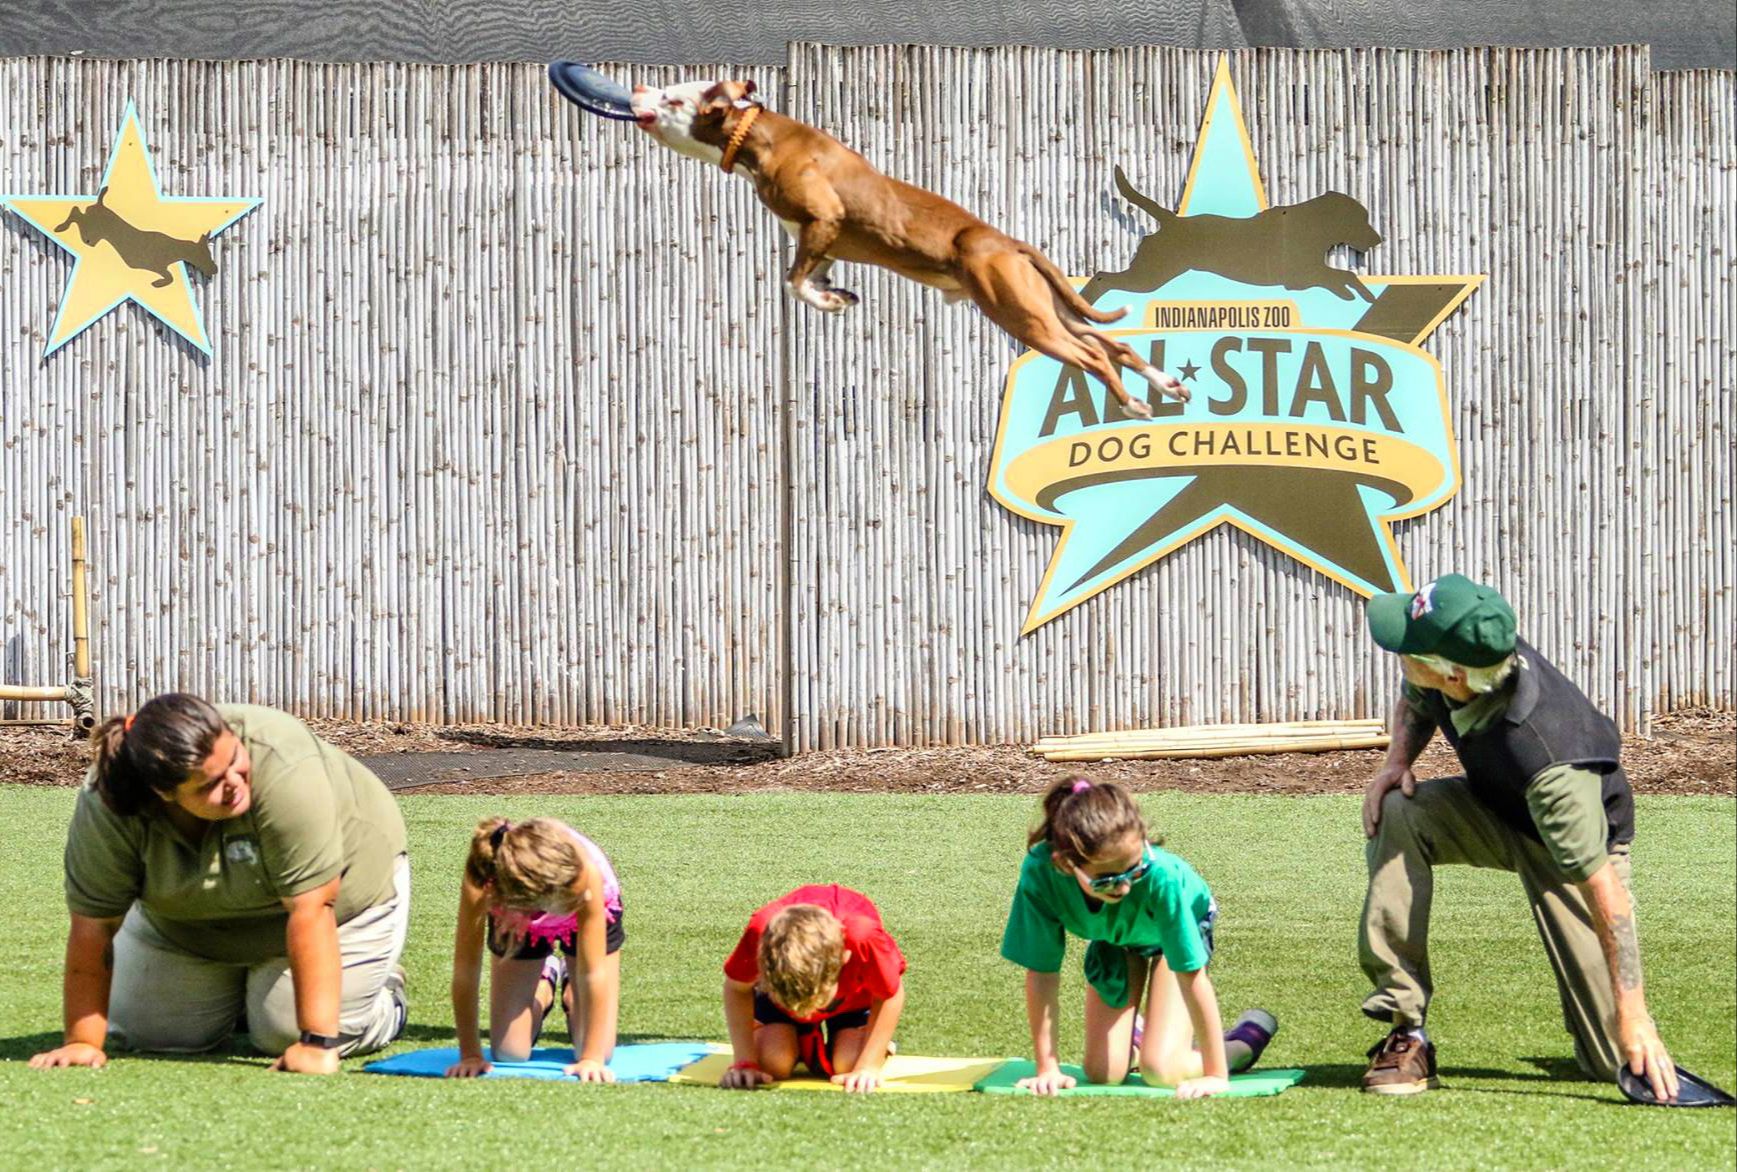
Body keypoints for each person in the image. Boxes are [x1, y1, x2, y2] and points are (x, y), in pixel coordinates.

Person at [1358, 573, 1680, 1100]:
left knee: (1614, 1061)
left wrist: (1635, 1015)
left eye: (1411, 647)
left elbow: (1607, 894)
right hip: (1495, 807)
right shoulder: (1473, 644)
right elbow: (1418, 694)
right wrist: (1396, 763)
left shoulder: (1552, 761)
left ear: (1456, 676)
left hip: (1573, 850)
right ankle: (1406, 1026)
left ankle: (1610, 1032)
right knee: (1400, 808)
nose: (1400, 652)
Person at [28, 693, 409, 1074]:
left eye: (235, 759)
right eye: (209, 783)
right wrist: (81, 1042)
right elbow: (95, 925)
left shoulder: (284, 761)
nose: (235, 781)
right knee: (157, 1034)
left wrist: (317, 1043)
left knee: (283, 1031)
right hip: (192, 923)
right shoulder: (109, 799)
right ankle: (248, 996)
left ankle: (385, 998)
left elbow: (311, 909)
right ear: (162, 794)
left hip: (342, 904)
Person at [1001, 777, 1277, 1098]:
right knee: (1103, 1074)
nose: (1125, 888)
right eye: (1107, 879)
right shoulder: (1040, 873)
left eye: (1134, 869)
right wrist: (1047, 1068)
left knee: (1161, 1070)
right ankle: (1144, 1034)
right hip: (1115, 939)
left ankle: (1242, 1044)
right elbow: (1042, 974)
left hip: (1169, 938)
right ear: (1065, 864)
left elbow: (1192, 976)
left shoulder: (1163, 878)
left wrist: (1216, 1074)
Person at [446, 816, 624, 1080]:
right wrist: (470, 1054)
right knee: (509, 1052)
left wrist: (592, 1058)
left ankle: (572, 995)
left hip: (588, 917)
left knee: (596, 1047)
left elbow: (593, 974)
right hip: (518, 918)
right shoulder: (484, 883)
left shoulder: (584, 877)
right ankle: (545, 982)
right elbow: (466, 972)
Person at [718, 884, 906, 1092]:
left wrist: (868, 1066)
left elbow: (890, 993)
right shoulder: (762, 932)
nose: (809, 1013)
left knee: (848, 1063)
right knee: (773, 1062)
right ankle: (795, 1042)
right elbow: (736, 988)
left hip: (852, 998)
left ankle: (871, 1044)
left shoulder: (861, 936)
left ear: (844, 959)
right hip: (784, 1001)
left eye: (818, 1001)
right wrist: (745, 1062)